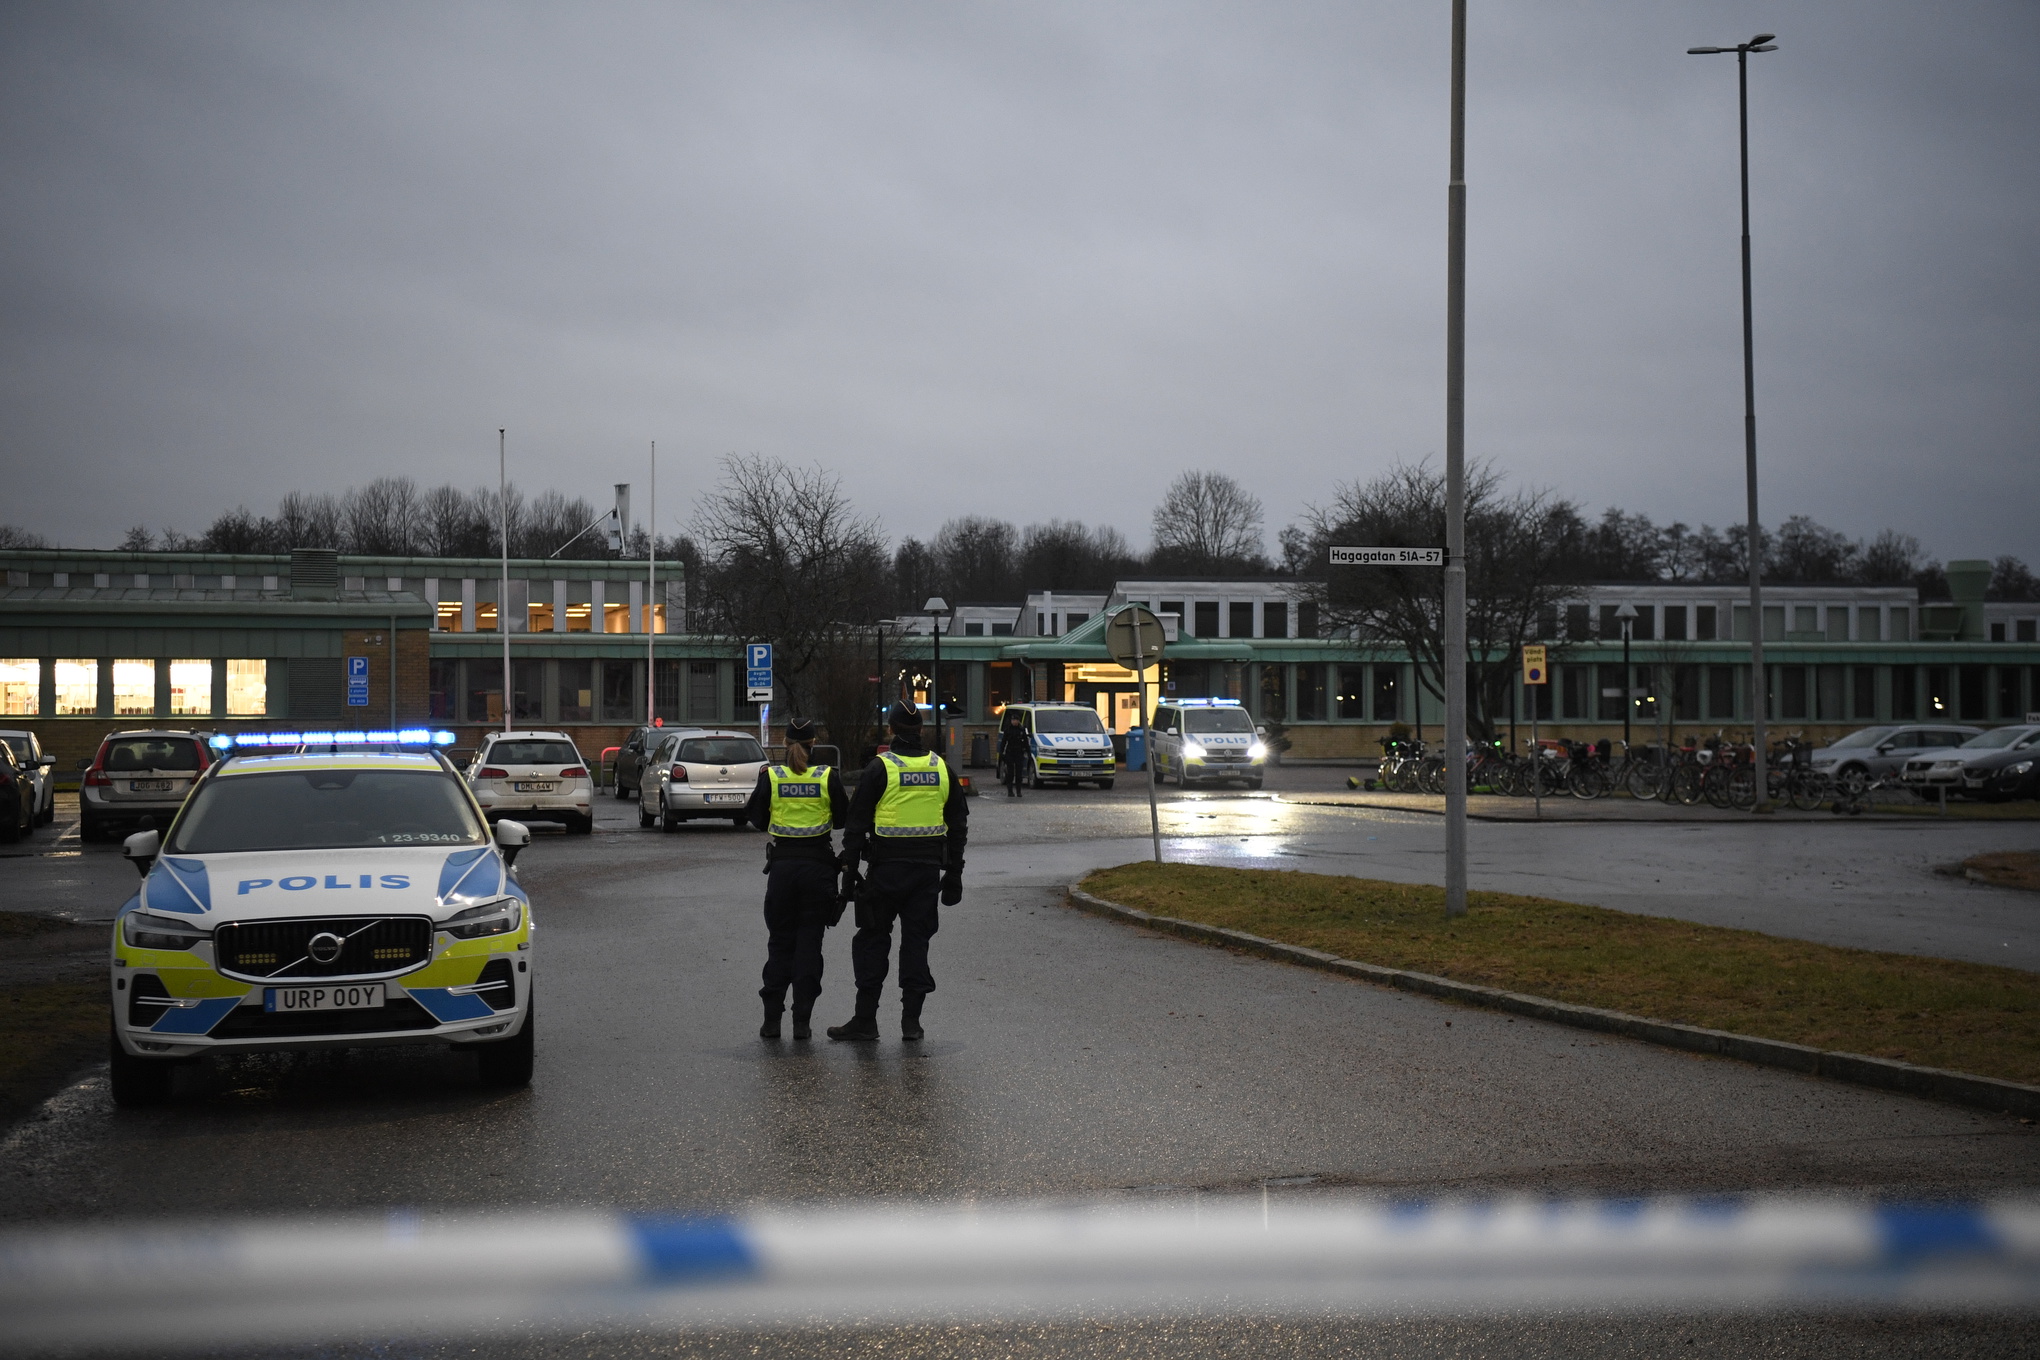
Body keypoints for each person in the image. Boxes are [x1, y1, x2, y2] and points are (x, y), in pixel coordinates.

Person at [828, 699, 968, 1042]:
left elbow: (856, 825)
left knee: (873, 942)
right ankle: (911, 1023)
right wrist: (953, 874)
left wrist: (848, 874)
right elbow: (958, 824)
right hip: (925, 876)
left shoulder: (880, 768)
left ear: (891, 730)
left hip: (885, 874)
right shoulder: (941, 768)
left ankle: (865, 1020)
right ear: (920, 731)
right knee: (916, 944)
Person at [744, 718, 849, 1040]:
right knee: (809, 947)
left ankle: (771, 1021)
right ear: (815, 744)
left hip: (783, 871)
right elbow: (844, 818)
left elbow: (757, 818)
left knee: (780, 946)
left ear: (786, 743)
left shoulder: (771, 776)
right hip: (818, 871)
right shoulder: (828, 776)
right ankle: (802, 1023)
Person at [997, 709, 1028, 799]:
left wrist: (1028, 752)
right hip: (1010, 753)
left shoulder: (1021, 730)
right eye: (1013, 720)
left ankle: (1018, 791)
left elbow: (1025, 742)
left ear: (1018, 721)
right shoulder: (1008, 729)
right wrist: (1001, 753)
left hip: (1019, 753)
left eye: (1016, 720)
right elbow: (1003, 742)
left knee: (1019, 774)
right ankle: (1010, 791)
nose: (1014, 722)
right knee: (1010, 773)